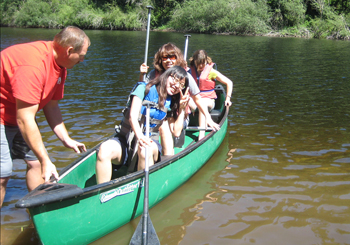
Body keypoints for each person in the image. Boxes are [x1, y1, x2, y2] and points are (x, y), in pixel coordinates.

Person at [0, 26, 90, 208]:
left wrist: (66, 139)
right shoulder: (33, 65)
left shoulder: (61, 65)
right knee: (3, 173)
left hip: (17, 116)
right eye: (82, 55)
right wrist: (46, 159)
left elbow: (51, 105)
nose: (83, 60)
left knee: (35, 163)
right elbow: (25, 119)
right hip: (6, 116)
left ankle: (39, 212)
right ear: (69, 50)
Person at [96, 66, 190, 184]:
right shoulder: (143, 88)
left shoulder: (170, 101)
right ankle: (102, 193)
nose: (177, 86)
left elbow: (176, 132)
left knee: (145, 150)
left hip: (150, 144)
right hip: (126, 142)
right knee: (104, 149)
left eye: (181, 85)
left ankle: (138, 189)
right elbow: (132, 117)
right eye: (175, 80)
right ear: (166, 76)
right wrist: (140, 137)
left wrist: (181, 109)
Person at [140, 43, 220, 153]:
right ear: (160, 59)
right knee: (158, 122)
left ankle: (168, 158)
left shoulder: (184, 75)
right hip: (157, 114)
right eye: (165, 57)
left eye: (172, 57)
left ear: (177, 58)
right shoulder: (154, 74)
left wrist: (208, 117)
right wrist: (141, 75)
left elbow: (197, 99)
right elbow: (142, 91)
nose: (169, 61)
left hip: (177, 116)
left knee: (164, 126)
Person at [188, 49, 233, 140]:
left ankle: (201, 134)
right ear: (194, 62)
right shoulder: (189, 72)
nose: (201, 66)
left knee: (202, 103)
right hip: (194, 101)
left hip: (208, 101)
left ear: (206, 61)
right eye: (198, 63)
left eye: (203, 63)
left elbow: (229, 82)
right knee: (183, 100)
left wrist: (227, 98)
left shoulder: (211, 71)